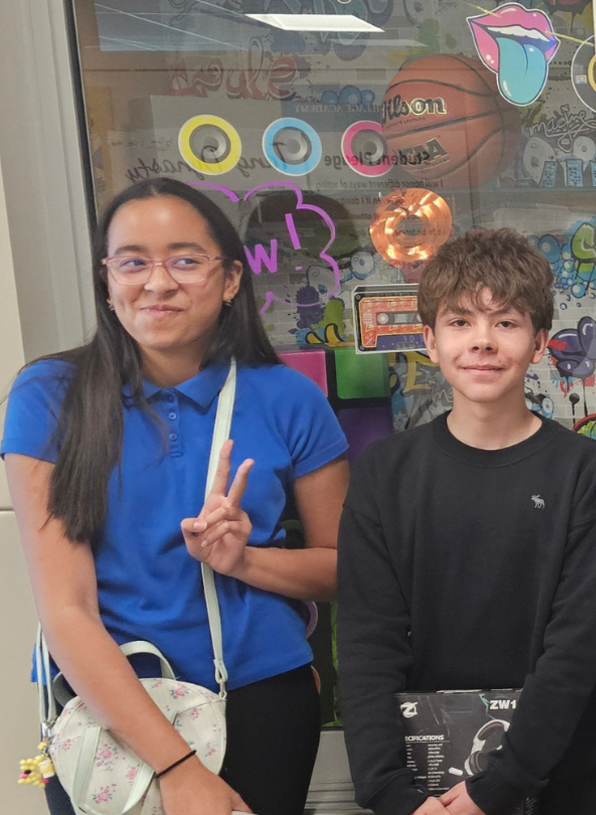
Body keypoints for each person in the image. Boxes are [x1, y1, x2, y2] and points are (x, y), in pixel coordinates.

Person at [4, 177, 348, 815]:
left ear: (230, 281)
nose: (157, 282)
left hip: (260, 700)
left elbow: (343, 569)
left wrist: (246, 561)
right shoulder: (49, 395)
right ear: (107, 281)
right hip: (107, 707)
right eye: (132, 261)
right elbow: (66, 609)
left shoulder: (287, 399)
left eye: (186, 260)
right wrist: (178, 768)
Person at [339, 228, 596, 815]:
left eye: (506, 322)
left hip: (558, 779)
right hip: (422, 787)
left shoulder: (587, 472)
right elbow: (368, 643)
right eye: (460, 321)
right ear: (429, 339)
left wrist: (497, 787)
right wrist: (387, 790)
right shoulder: (385, 473)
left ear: (541, 342)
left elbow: (572, 649)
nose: (482, 342)